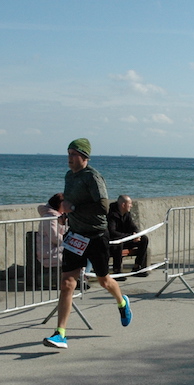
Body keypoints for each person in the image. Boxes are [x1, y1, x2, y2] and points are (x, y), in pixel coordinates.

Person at [43, 138, 132, 349]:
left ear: (84, 156)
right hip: (76, 236)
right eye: (68, 153)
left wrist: (73, 209)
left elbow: (103, 207)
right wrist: (67, 216)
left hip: (96, 236)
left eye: (73, 154)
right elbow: (71, 204)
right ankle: (60, 334)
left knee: (103, 280)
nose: (69, 158)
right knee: (67, 283)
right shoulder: (69, 176)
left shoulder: (93, 177)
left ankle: (122, 302)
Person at [107, 194, 149, 279]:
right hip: (114, 242)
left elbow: (133, 226)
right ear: (123, 205)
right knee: (119, 244)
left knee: (144, 239)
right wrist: (130, 236)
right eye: (129, 203)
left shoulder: (127, 214)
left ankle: (137, 267)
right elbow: (112, 232)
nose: (131, 205)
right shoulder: (112, 215)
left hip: (126, 239)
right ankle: (117, 271)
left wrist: (136, 234)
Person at [35, 192, 66, 288]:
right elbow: (55, 238)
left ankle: (82, 277)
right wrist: (69, 240)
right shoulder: (50, 217)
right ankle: (80, 278)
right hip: (49, 252)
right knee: (77, 253)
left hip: (56, 249)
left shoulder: (59, 216)